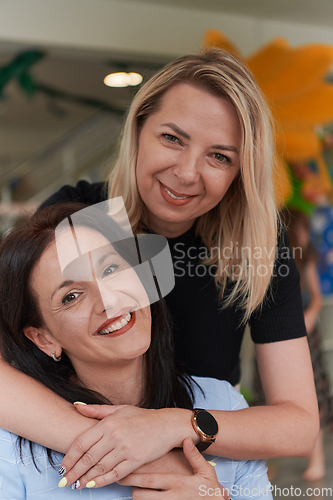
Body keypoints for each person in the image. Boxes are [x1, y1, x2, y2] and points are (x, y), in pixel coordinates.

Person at [0, 48, 319, 488]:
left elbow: (299, 425)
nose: (187, 173)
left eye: (220, 156)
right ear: (138, 130)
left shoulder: (257, 243)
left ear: (240, 171)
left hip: (211, 457)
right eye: (172, 138)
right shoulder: (84, 216)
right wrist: (131, 452)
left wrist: (171, 429)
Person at [0, 202, 273, 499]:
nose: (109, 299)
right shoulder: (12, 451)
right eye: (72, 296)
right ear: (43, 339)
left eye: (111, 268)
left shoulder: (224, 405)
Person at [283, 208, 333, 481]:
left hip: (305, 336)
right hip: (281, 336)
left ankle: (318, 459)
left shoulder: (307, 258)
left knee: (312, 395)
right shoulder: (274, 259)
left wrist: (308, 318)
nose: (306, 234)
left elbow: (315, 298)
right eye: (302, 228)